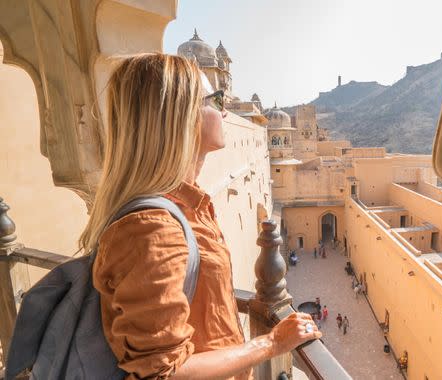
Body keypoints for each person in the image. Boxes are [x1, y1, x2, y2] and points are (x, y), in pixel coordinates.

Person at [87, 54, 320, 379]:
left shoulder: (184, 206)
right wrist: (270, 343)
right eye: (216, 100)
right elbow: (162, 373)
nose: (226, 111)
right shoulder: (152, 230)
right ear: (180, 116)